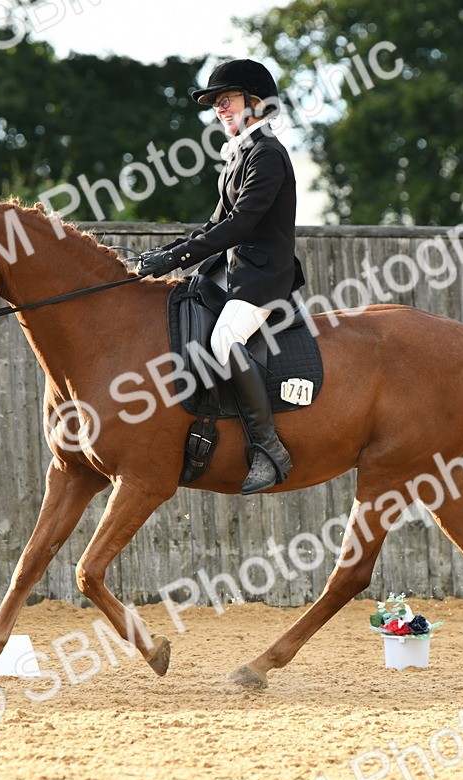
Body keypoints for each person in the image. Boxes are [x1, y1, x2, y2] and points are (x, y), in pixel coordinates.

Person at [138, 58, 306, 495]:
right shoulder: (241, 156)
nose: (219, 110)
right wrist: (168, 255)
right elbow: (216, 224)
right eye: (216, 104)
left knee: (223, 341)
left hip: (263, 281)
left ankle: (269, 448)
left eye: (226, 101)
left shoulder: (268, 155)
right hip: (232, 276)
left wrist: (176, 259)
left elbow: (241, 225)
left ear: (255, 102)